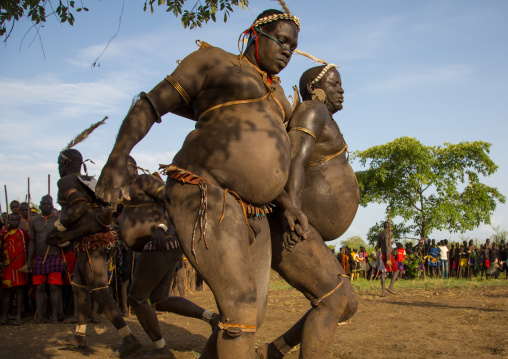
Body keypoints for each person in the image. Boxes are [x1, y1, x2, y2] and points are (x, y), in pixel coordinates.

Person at [96, 9, 303, 359]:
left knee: (250, 317)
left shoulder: (280, 97)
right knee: (240, 308)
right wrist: (118, 157)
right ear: (254, 35)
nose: (287, 50)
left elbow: (269, 162)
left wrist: (289, 204)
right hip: (205, 190)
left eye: (293, 47)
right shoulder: (214, 61)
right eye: (281, 40)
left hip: (258, 210)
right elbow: (151, 103)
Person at [258, 65, 359, 359]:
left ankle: (273, 351)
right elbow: (294, 161)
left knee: (347, 303)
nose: (341, 90)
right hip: (291, 223)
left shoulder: (321, 116)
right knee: (332, 299)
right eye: (335, 84)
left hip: (306, 226)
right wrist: (293, 211)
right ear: (315, 87)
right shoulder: (312, 109)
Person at [120, 156, 219, 358]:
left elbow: (171, 199)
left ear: (132, 168)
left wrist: (161, 227)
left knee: (136, 298)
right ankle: (212, 318)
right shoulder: (126, 193)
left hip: (161, 243)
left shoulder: (143, 181)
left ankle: (161, 350)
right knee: (159, 299)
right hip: (161, 246)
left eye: (120, 168)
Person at [46, 149, 140, 357]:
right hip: (89, 241)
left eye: (59, 163)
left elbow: (78, 208)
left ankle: (129, 338)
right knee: (79, 287)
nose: (58, 168)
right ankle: (79, 336)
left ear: (67, 163)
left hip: (92, 243)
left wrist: (59, 229)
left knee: (99, 292)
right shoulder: (89, 180)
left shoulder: (67, 181)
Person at [27, 195, 63, 324]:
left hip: (54, 256)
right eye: (44, 204)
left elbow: (63, 238)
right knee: (40, 288)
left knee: (54, 288)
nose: (46, 206)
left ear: (52, 206)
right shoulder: (34, 221)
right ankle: (40, 316)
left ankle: (54, 316)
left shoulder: (57, 220)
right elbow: (32, 242)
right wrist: (28, 261)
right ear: (40, 205)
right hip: (39, 258)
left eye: (49, 204)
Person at [0, 212, 29, 325]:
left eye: (16, 220)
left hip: (20, 266)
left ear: (19, 221)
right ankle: (4, 316)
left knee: (20, 291)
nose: (13, 222)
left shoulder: (23, 233)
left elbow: (28, 246)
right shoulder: (3, 233)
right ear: (8, 221)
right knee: (7, 292)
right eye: (11, 220)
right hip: (7, 266)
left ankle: (18, 316)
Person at [378, 221, 398, 296]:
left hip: (382, 254)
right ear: (388, 226)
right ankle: (390, 287)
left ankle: (383, 292)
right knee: (396, 270)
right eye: (390, 226)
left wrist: (390, 243)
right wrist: (388, 257)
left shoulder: (380, 235)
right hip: (387, 254)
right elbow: (386, 246)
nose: (391, 227)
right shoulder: (387, 234)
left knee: (383, 272)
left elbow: (378, 245)